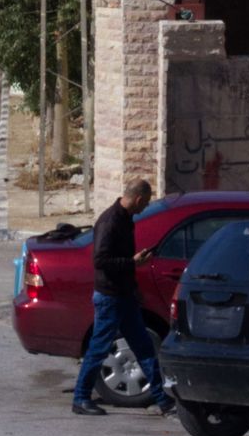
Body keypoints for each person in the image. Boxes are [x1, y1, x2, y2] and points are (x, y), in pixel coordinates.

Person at [71, 179, 175, 417]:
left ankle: (163, 400)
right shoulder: (111, 221)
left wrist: (133, 284)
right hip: (110, 297)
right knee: (99, 348)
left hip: (124, 295)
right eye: (146, 202)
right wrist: (133, 263)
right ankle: (81, 398)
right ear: (138, 199)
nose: (145, 207)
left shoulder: (125, 219)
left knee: (144, 347)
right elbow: (100, 261)